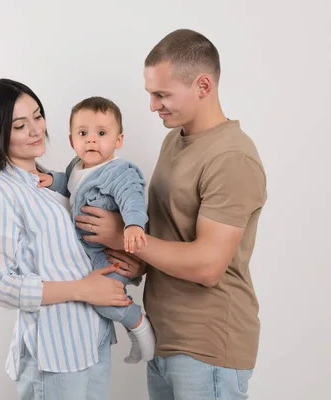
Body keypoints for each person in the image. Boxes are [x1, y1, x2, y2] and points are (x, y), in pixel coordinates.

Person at [74, 29, 267, 399]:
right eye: (150, 93)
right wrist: (136, 262)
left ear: (203, 86)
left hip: (209, 345)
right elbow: (168, 235)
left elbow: (209, 265)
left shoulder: (231, 158)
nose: (152, 105)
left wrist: (121, 237)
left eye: (161, 94)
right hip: (166, 337)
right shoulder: (174, 139)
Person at [0, 78, 133, 400]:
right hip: (56, 350)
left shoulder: (55, 183)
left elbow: (77, 252)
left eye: (38, 116)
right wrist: (81, 289)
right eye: (20, 125)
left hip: (93, 335)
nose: (35, 129)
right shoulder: (1, 192)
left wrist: (124, 255)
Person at [33, 96, 156, 364]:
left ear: (118, 140)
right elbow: (71, 186)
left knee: (103, 300)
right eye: (83, 133)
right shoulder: (76, 167)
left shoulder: (119, 171)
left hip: (108, 253)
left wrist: (134, 225)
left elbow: (132, 197)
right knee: (92, 294)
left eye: (101, 133)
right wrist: (54, 180)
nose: (91, 140)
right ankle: (128, 320)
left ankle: (138, 324)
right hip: (86, 254)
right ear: (72, 141)